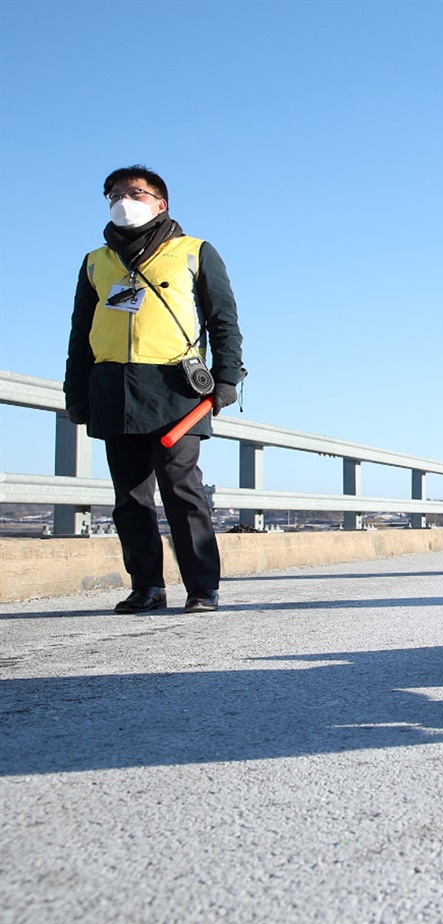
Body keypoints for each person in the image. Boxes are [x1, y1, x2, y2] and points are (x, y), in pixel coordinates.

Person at [63, 165, 245, 614]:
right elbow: (79, 334)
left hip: (175, 388)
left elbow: (224, 320)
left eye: (136, 192)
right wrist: (76, 392)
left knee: (182, 488)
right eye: (115, 194)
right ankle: (147, 586)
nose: (124, 199)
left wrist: (227, 378)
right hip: (112, 387)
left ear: (161, 203)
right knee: (130, 497)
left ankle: (203, 587)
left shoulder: (195, 251)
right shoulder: (95, 262)